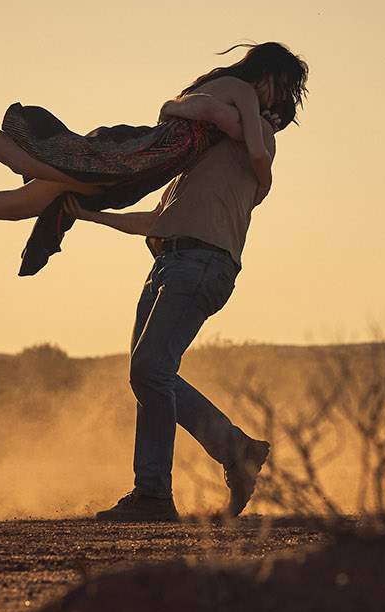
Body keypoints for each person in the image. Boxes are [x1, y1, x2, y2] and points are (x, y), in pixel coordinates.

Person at [78, 49, 306, 522]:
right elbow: (157, 220)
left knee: (150, 371)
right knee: (150, 376)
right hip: (171, 260)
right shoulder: (202, 163)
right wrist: (87, 215)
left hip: (201, 263)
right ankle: (222, 456)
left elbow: (211, 110)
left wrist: (173, 106)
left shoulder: (256, 133)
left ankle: (158, 492)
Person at [0, 42, 305, 279]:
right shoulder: (243, 91)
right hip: (129, 159)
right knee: (26, 163)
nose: (275, 106)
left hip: (135, 167)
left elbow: (187, 108)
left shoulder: (222, 92)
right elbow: (249, 147)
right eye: (281, 94)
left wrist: (179, 109)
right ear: (270, 77)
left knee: (16, 205)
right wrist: (263, 182)